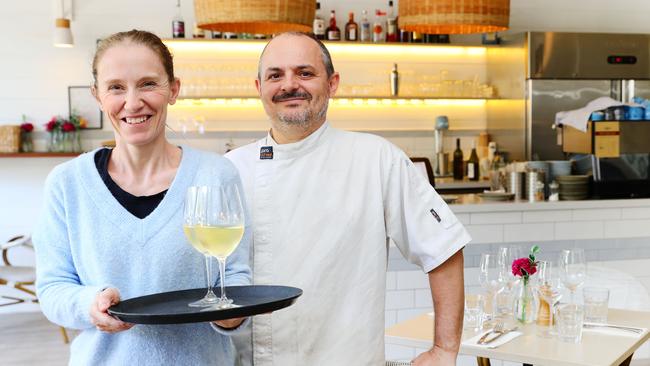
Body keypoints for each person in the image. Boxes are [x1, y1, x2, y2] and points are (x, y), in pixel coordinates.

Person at [225, 32, 471, 365]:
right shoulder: (230, 169)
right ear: (259, 88)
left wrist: (444, 349)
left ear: (333, 83)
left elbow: (443, 247)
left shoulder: (376, 158)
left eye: (305, 73)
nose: (289, 85)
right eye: (275, 75)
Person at [33, 30, 250, 365]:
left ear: (173, 90)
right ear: (98, 96)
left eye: (148, 84)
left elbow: (234, 276)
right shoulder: (67, 184)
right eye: (116, 87)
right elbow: (52, 290)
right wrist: (90, 302)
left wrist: (231, 314)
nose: (133, 103)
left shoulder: (216, 174)